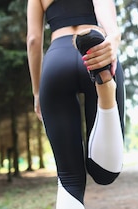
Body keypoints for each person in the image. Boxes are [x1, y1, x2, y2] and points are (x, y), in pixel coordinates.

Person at [26, 0, 125, 208]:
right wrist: (112, 39)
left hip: (57, 59)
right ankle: (105, 92)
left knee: (69, 179)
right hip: (95, 53)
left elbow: (34, 40)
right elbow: (103, 8)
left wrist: (37, 92)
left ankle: (104, 89)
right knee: (105, 173)